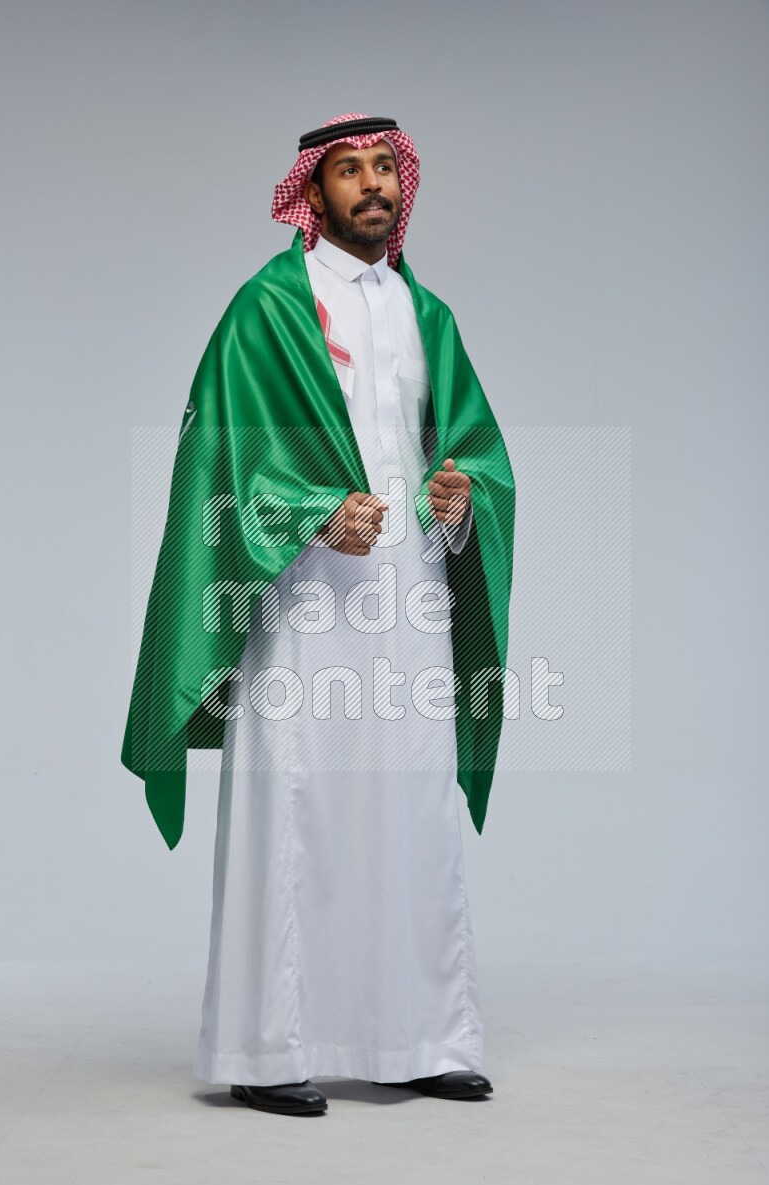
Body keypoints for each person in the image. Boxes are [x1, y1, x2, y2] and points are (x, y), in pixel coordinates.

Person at [121, 114, 516, 1117]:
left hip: (409, 597)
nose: (372, 185)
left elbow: (470, 452)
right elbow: (220, 457)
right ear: (313, 191)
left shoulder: (428, 312)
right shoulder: (268, 309)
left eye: (385, 168)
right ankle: (265, 1048)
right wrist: (308, 512)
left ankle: (421, 1036)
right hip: (303, 601)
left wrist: (458, 498)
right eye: (349, 171)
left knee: (410, 813)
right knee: (295, 812)